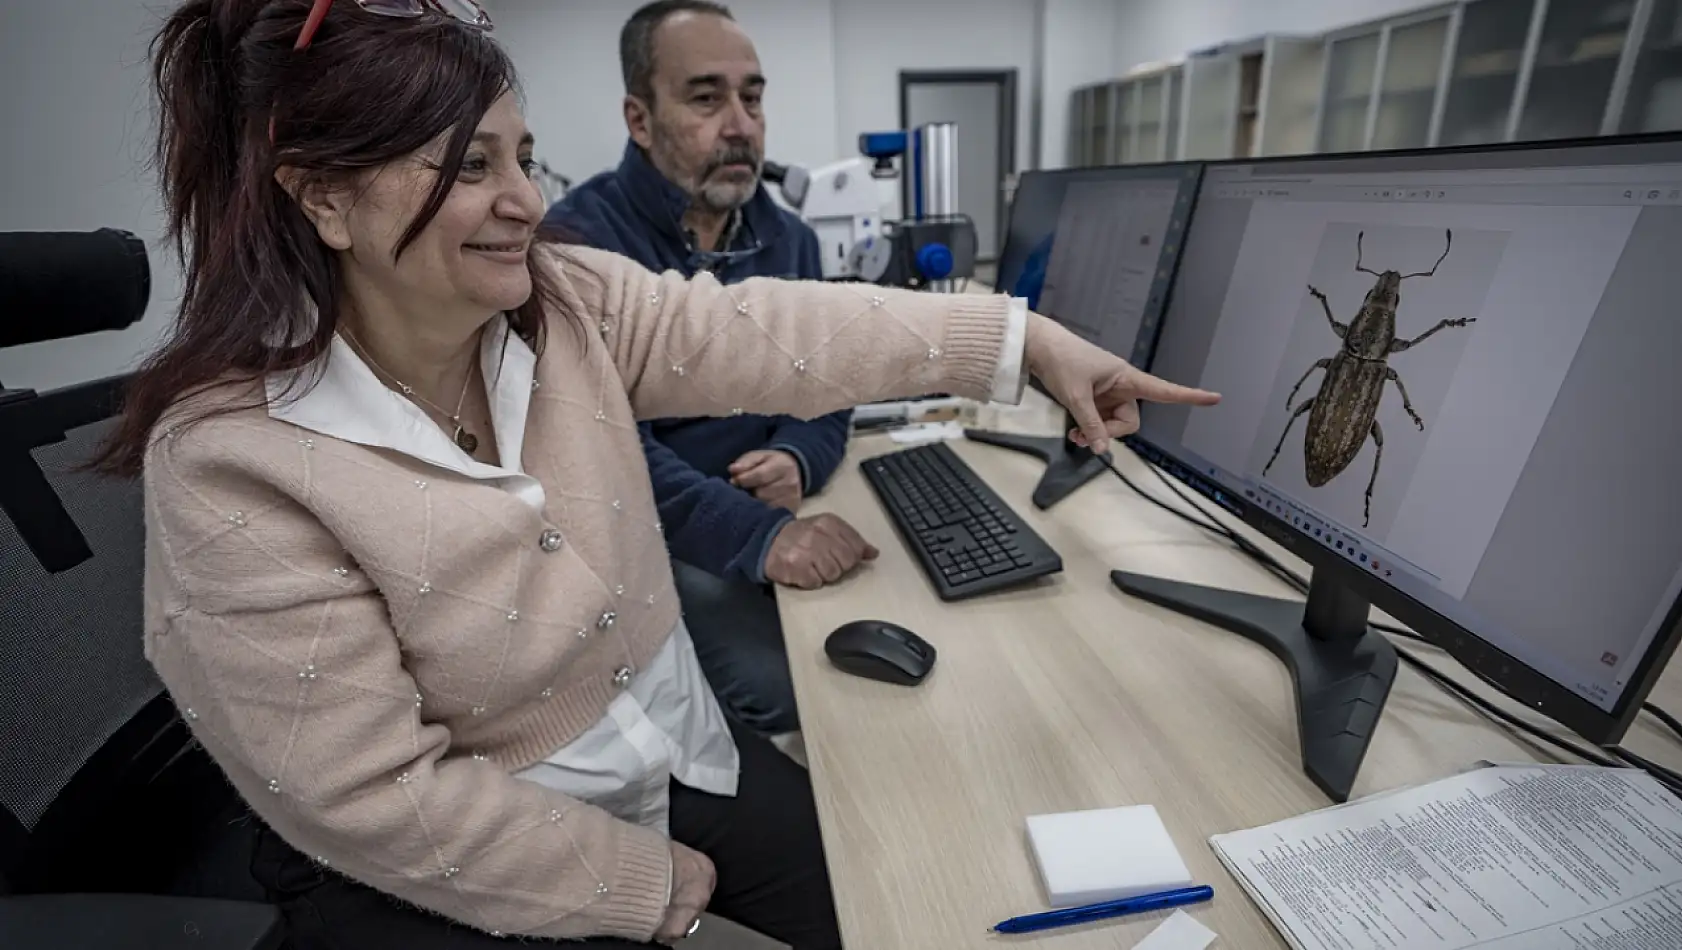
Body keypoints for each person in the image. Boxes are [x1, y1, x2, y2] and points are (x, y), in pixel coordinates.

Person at [108, 1, 1219, 948]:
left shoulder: (564, 307)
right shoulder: (230, 462)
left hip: (674, 753)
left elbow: (768, 329)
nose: (526, 202)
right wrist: (658, 891)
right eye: (469, 165)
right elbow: (373, 798)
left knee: (915, 897)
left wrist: (1018, 343)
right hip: (459, 859)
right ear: (323, 196)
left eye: (521, 158)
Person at [546, 0, 854, 738]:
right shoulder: (576, 248)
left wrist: (797, 456)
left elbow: (830, 390)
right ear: (640, 119)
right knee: (790, 689)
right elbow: (597, 448)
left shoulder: (793, 240)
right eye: (707, 97)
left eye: (752, 97)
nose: (742, 124)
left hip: (775, 510)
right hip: (658, 536)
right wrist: (753, 534)